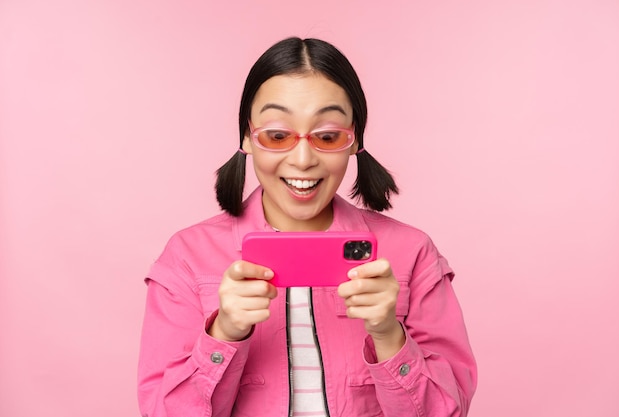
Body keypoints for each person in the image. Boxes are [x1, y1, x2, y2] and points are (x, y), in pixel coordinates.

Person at [138, 37, 477, 417]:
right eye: (278, 135)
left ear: (354, 141)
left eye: (328, 136)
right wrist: (225, 333)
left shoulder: (412, 253)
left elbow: (447, 411)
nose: (302, 160)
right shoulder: (187, 257)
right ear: (248, 137)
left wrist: (388, 335)